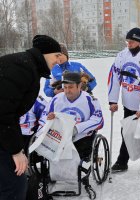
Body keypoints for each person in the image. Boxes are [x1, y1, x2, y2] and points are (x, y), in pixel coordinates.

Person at [0, 35, 61, 200]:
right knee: (14, 186)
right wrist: (15, 150)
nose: (59, 60)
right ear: (45, 53)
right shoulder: (23, 68)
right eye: (57, 55)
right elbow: (4, 112)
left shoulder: (25, 65)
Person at [107, 27, 140, 174]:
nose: (128, 43)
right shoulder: (122, 55)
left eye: (131, 41)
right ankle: (122, 161)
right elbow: (114, 77)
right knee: (127, 132)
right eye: (127, 41)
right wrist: (113, 100)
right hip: (128, 103)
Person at [39, 72, 104, 159]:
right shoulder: (56, 99)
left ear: (80, 85)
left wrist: (77, 129)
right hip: (58, 137)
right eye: (65, 87)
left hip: (82, 137)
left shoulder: (90, 100)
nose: (67, 90)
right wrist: (48, 120)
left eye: (71, 87)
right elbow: (44, 117)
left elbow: (98, 121)